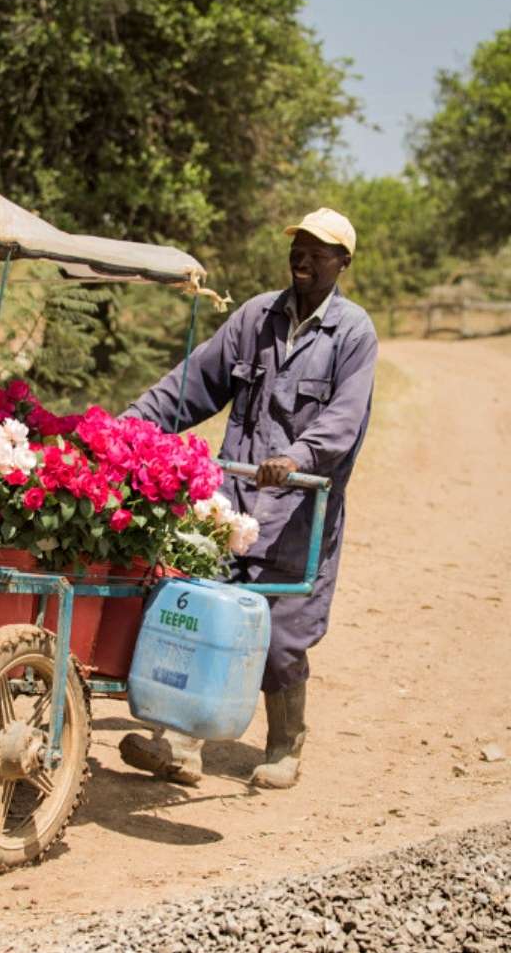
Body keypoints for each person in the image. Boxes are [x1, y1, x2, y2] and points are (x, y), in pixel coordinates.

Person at [118, 208, 378, 789]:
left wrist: (300, 458)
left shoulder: (354, 333)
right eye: (298, 247)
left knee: (283, 635)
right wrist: (129, 428)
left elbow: (344, 420)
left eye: (319, 250)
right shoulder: (254, 317)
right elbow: (191, 385)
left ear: (344, 262)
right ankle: (183, 747)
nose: (304, 258)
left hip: (297, 514)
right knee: (205, 614)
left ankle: (286, 745)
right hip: (233, 503)